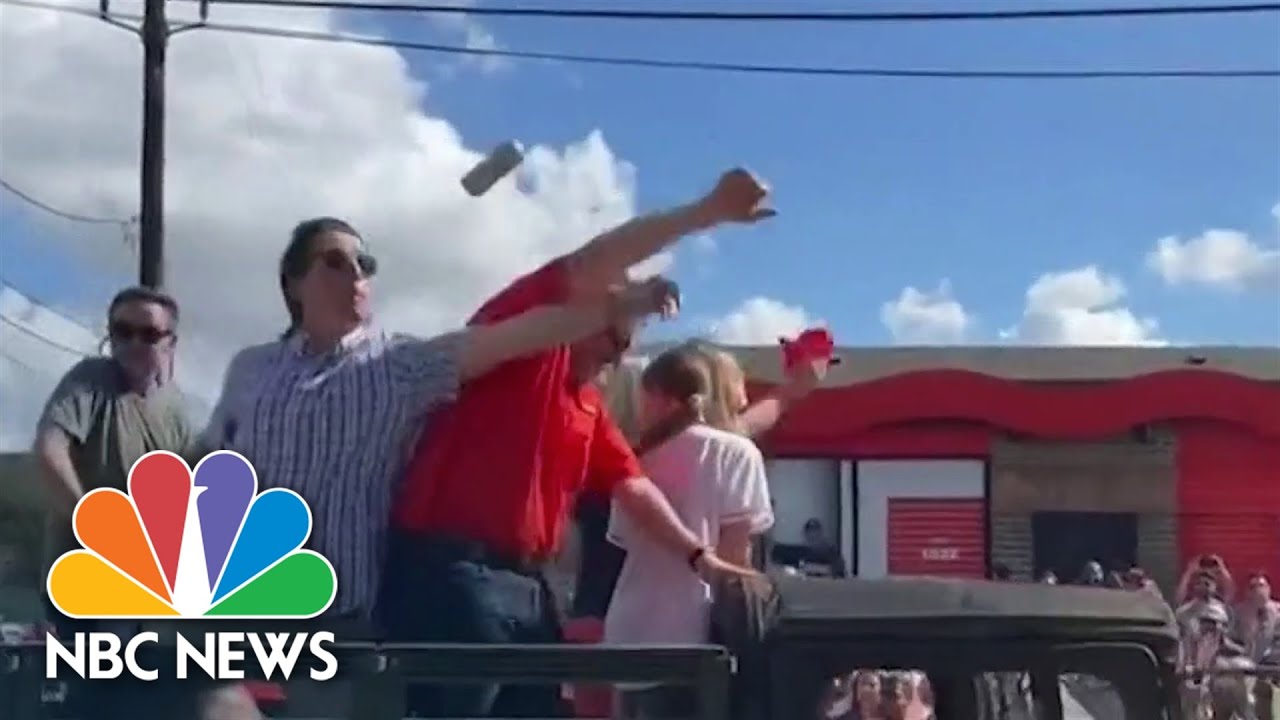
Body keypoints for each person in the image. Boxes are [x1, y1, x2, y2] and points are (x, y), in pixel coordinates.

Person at [196, 216, 672, 716]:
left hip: (340, 618)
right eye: (335, 262)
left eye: (365, 264)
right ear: (294, 283)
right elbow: (212, 464)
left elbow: (518, 334)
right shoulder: (250, 369)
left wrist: (621, 307)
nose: (356, 275)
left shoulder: (398, 365)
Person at [383, 168, 776, 718]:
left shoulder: (586, 406)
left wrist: (699, 557)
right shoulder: (522, 344)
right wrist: (705, 212)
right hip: (452, 571)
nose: (617, 355)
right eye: (614, 334)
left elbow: (634, 487)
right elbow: (598, 257)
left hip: (526, 586)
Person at [32, 287, 224, 719]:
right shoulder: (91, 380)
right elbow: (50, 449)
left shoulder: (175, 409)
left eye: (149, 334)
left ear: (171, 342)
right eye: (123, 332)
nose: (134, 344)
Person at [605, 347, 774, 719]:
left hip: (630, 631)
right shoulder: (737, 453)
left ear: (663, 399)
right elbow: (734, 558)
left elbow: (623, 542)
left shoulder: (636, 460)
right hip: (697, 636)